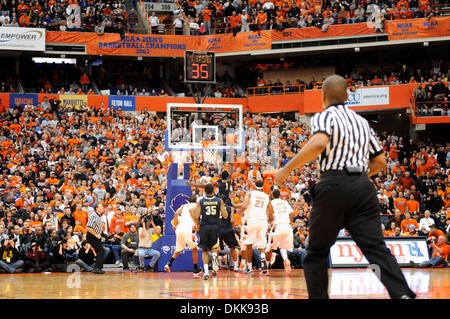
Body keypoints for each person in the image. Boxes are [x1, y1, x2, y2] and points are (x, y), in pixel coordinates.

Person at [274, 74, 416, 299]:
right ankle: (402, 294)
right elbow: (380, 162)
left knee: (316, 252)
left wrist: (287, 168)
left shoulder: (324, 116)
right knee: (376, 249)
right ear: (347, 95)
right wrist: (357, 177)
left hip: (333, 185)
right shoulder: (361, 122)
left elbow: (319, 143)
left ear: (323, 96)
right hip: (363, 186)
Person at [191, 183, 228, 280]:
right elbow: (225, 215)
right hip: (215, 226)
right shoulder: (219, 200)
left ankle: (206, 272)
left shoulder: (201, 201)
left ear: (204, 191)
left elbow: (196, 216)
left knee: (204, 250)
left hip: (204, 226)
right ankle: (215, 256)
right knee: (214, 247)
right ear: (213, 191)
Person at [233, 180, 270, 275]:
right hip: (263, 221)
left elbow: (244, 205)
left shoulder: (250, 193)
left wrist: (241, 212)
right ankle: (262, 257)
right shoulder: (266, 196)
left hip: (252, 220)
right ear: (262, 187)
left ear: (254, 186)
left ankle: (249, 268)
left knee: (249, 245)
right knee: (262, 245)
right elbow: (269, 209)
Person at [164, 196, 201, 276]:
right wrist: (198, 226)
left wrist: (175, 224)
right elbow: (196, 218)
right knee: (194, 248)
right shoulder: (197, 206)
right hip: (189, 228)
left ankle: (169, 263)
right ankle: (195, 269)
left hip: (180, 228)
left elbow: (176, 213)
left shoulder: (183, 206)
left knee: (179, 248)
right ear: (195, 200)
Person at [265, 189, 294, 273]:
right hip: (287, 226)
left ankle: (265, 268)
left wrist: (269, 222)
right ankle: (286, 260)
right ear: (279, 195)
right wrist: (290, 223)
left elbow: (270, 217)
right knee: (282, 246)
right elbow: (292, 214)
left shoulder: (271, 203)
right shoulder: (284, 202)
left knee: (269, 248)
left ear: (273, 195)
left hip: (277, 226)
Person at [86, 202, 106, 274]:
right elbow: (89, 227)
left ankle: (98, 267)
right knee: (101, 250)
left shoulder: (99, 216)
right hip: (92, 236)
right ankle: (96, 268)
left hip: (96, 236)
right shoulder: (93, 216)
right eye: (100, 206)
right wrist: (96, 235)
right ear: (96, 208)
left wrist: (101, 234)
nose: (102, 208)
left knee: (101, 251)